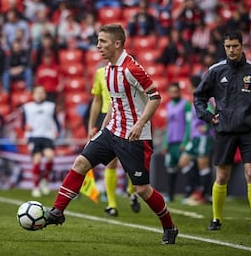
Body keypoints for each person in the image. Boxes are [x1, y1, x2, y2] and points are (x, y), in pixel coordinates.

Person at [44, 24, 178, 245]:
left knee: (142, 189)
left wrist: (140, 124)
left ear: (117, 43)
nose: (98, 46)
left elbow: (155, 97)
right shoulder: (107, 69)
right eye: (98, 41)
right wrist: (102, 128)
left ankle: (169, 227)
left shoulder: (131, 68)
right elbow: (115, 104)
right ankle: (58, 211)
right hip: (111, 130)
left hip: (134, 137)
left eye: (103, 42)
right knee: (80, 163)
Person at [194, 31, 251, 232]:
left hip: (249, 131)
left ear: (242, 46)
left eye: (235, 46)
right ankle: (216, 219)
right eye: (228, 46)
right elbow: (199, 97)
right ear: (224, 47)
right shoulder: (215, 71)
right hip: (224, 130)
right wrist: (208, 116)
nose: (231, 50)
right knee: (221, 176)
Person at [87, 65, 141, 216]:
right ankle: (112, 204)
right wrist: (91, 125)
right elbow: (97, 99)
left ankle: (131, 191)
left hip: (126, 117)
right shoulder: (100, 72)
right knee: (111, 162)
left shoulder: (129, 71)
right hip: (107, 116)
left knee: (131, 159)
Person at [179, 75, 214, 205]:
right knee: (183, 162)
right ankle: (194, 190)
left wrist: (206, 126)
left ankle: (205, 195)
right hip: (194, 139)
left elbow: (212, 112)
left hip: (203, 138)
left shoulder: (203, 99)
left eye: (189, 84)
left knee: (203, 166)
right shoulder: (193, 100)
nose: (187, 86)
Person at [22, 86, 61, 198]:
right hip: (34, 136)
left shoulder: (50, 106)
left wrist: (57, 131)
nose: (39, 95)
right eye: (37, 93)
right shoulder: (27, 107)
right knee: (37, 160)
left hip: (47, 136)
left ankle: (45, 179)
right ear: (33, 94)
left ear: (45, 94)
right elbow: (22, 123)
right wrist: (25, 126)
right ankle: (35, 187)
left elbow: (56, 121)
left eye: (41, 93)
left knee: (50, 156)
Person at [162, 82, 192, 202]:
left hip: (181, 142)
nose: (174, 94)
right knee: (170, 169)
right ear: (169, 93)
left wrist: (185, 142)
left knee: (186, 167)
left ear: (180, 91)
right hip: (171, 143)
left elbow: (189, 124)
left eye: (176, 91)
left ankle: (190, 194)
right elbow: (168, 125)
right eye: (172, 92)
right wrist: (165, 143)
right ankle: (170, 195)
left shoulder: (186, 104)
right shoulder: (169, 105)